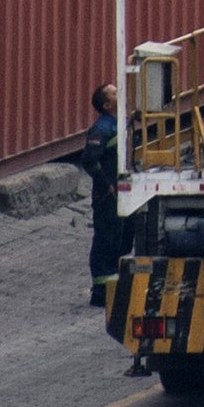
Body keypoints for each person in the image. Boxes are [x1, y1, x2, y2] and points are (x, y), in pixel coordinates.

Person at [76, 86, 128, 305]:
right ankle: (101, 293)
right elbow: (89, 160)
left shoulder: (121, 122)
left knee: (122, 238)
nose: (119, 92)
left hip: (122, 192)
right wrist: (105, 185)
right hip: (107, 195)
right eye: (114, 93)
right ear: (107, 105)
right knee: (106, 240)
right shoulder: (102, 129)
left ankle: (116, 287)